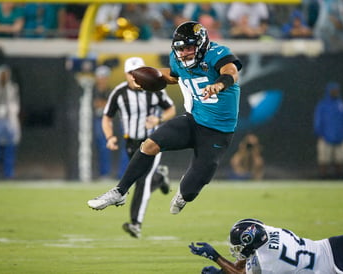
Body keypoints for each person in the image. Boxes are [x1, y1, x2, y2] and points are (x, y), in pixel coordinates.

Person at [87, 21, 242, 215]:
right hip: (193, 120)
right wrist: (151, 77)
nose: (184, 53)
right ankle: (120, 191)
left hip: (218, 132)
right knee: (149, 145)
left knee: (191, 189)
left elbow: (231, 71)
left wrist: (219, 85)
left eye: (189, 48)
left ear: (201, 44)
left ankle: (184, 194)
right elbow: (174, 77)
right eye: (181, 49)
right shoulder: (177, 59)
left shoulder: (216, 53)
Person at [99, 57, 176, 238]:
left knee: (142, 181)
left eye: (138, 73)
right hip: (131, 142)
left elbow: (170, 109)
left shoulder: (155, 89)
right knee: (142, 179)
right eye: (131, 74)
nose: (135, 78)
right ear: (126, 75)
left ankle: (136, 223)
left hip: (153, 141)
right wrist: (109, 137)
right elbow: (107, 117)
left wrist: (158, 120)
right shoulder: (119, 92)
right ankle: (159, 178)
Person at [189, 218, 343, 274]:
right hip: (339, 244)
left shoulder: (268, 263)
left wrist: (215, 257)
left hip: (340, 266)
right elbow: (245, 259)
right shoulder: (269, 231)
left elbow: (239, 273)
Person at [313, 82, 343, 178]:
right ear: (328, 91)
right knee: (324, 159)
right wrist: (319, 133)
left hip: (341, 137)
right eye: (333, 91)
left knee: (340, 159)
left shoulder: (342, 106)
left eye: (336, 91)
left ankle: (339, 178)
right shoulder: (322, 105)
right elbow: (318, 120)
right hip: (325, 137)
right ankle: (323, 178)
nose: (335, 92)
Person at [92, 65, 113, 179]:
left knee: (105, 146)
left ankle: (104, 173)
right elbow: (94, 104)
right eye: (101, 76)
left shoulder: (109, 91)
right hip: (92, 120)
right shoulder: (92, 90)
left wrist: (101, 103)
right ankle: (92, 172)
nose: (103, 79)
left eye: (105, 77)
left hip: (104, 120)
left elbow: (108, 105)